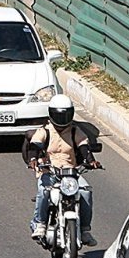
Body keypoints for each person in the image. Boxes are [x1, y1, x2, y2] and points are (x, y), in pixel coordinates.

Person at [24, 95, 102, 245]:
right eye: (58, 115)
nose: (61, 119)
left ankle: (85, 230)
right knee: (44, 191)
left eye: (65, 115)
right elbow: (34, 145)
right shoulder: (44, 131)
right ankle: (40, 223)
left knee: (86, 192)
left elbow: (84, 147)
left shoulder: (75, 132)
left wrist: (91, 161)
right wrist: (33, 159)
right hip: (49, 171)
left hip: (70, 173)